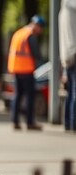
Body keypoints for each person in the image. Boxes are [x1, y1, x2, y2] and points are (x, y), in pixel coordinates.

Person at [7, 15, 46, 131]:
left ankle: (15, 121)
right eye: (41, 28)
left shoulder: (18, 33)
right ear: (36, 25)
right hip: (26, 70)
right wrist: (40, 61)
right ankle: (30, 122)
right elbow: (36, 54)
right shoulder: (30, 36)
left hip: (16, 69)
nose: (40, 31)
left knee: (18, 96)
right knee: (30, 96)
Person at [59, 0, 76, 133]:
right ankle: (74, 123)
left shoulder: (62, 12)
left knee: (70, 93)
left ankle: (68, 123)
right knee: (74, 92)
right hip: (74, 53)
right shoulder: (72, 7)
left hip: (66, 55)